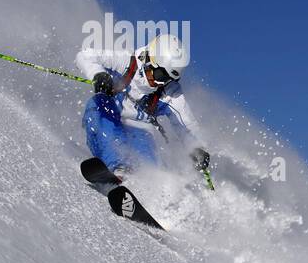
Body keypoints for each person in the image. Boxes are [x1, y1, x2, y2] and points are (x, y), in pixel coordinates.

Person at [76, 33, 209, 176]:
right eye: (159, 75)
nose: (160, 83)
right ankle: (116, 167)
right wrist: (98, 75)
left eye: (167, 79)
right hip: (108, 116)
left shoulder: (170, 92)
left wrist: (197, 147)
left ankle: (143, 186)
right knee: (99, 112)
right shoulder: (126, 62)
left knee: (150, 168)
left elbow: (186, 123)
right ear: (149, 60)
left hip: (139, 130)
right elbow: (85, 56)